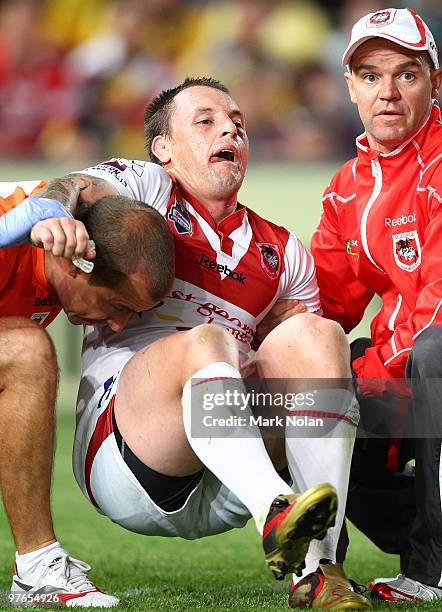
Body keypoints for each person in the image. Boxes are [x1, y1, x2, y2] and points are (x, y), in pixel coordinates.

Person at [33, 77, 371, 609]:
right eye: (206, 119)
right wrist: (53, 209)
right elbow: (72, 184)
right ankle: (276, 511)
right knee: (205, 342)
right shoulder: (146, 187)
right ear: (163, 148)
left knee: (318, 334)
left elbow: (307, 379)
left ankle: (320, 568)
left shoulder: (283, 251)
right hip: (130, 455)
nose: (229, 127)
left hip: (232, 466)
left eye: (237, 120)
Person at [308, 6, 442, 604]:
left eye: (406, 75)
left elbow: (435, 308)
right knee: (318, 378)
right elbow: (324, 303)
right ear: (351, 88)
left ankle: (433, 565)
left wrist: (385, 379)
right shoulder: (346, 187)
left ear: (434, 82)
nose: (386, 92)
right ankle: (317, 565)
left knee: (436, 356)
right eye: (370, 76)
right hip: (405, 370)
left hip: (428, 362)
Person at [0, 184, 174, 607]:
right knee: (26, 349)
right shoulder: (17, 216)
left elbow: (75, 183)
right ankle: (38, 565)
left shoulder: (61, 223)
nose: (115, 325)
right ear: (77, 264)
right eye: (116, 305)